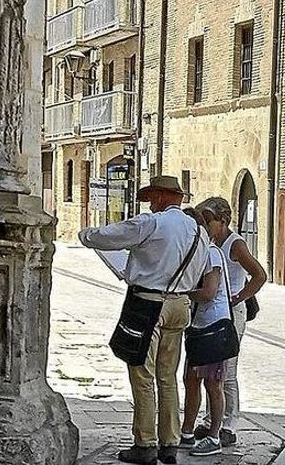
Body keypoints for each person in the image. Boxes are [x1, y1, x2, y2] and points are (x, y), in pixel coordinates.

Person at [79, 175, 210, 465]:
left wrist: (85, 235)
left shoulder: (152, 223)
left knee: (142, 375)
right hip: (180, 305)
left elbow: (109, 236)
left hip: (148, 305)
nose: (150, 204)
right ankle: (170, 443)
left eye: (153, 198)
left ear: (163, 197)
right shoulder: (199, 232)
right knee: (168, 377)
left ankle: (146, 443)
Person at [192, 197, 266, 447]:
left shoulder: (235, 245)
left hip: (232, 313)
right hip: (215, 312)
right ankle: (211, 418)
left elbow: (259, 275)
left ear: (222, 221)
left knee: (227, 371)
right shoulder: (209, 243)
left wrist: (239, 297)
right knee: (210, 370)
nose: (204, 226)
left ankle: (229, 423)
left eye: (208, 221)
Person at [178, 208, 228, 457]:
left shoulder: (211, 255)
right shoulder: (198, 253)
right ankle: (186, 431)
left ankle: (214, 435)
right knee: (191, 379)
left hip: (213, 326)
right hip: (197, 326)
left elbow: (209, 292)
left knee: (213, 383)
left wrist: (182, 292)